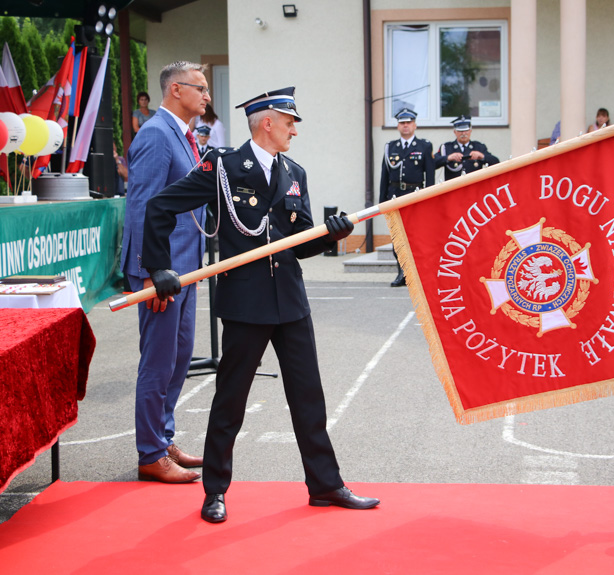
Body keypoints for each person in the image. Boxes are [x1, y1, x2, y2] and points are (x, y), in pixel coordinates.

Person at [142, 86, 379, 524]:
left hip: (290, 301)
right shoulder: (224, 166)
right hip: (245, 305)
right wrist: (158, 268)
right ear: (266, 122)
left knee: (309, 397)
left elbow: (302, 243)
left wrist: (332, 234)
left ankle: (325, 484)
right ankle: (215, 491)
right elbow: (160, 206)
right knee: (230, 401)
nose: (294, 130)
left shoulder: (295, 173)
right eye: (289, 122)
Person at [119, 61, 210, 484]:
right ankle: (150, 453)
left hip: (186, 269)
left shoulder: (185, 136)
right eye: (201, 88)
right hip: (163, 271)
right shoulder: (157, 135)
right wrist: (150, 272)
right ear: (176, 89)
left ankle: (164, 436)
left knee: (178, 358)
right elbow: (141, 207)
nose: (207, 97)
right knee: (158, 362)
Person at [379, 107, 435, 287]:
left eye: (408, 123)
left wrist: (430, 199)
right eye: (402, 123)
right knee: (398, 239)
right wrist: (382, 202)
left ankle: (419, 275)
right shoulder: (390, 147)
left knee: (417, 238)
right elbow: (384, 176)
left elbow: (430, 175)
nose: (405, 126)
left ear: (414, 125)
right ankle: (402, 273)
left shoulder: (424, 146)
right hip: (394, 196)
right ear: (397, 126)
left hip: (415, 196)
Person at [434, 115, 499, 181]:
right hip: (455, 187)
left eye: (466, 130)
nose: (464, 133)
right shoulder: (446, 148)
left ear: (470, 131)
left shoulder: (479, 147)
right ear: (455, 132)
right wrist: (448, 158)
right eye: (460, 131)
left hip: (474, 187)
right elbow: (432, 163)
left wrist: (482, 156)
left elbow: (496, 162)